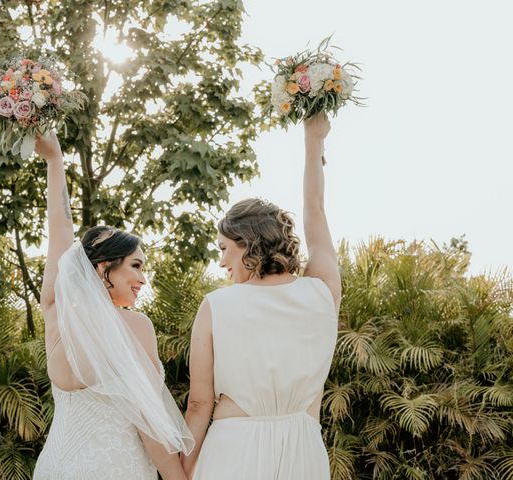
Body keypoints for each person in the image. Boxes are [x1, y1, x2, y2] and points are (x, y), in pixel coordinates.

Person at [182, 113, 340, 479]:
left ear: (247, 244)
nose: (221, 261)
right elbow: (315, 209)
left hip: (234, 451)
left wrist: (183, 472)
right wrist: (313, 140)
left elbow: (199, 403)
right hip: (303, 453)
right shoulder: (321, 292)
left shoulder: (216, 306)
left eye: (223, 248)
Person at [32, 133, 193, 480]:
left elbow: (59, 228)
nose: (143, 279)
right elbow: (151, 426)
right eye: (136, 266)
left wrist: (54, 161)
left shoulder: (57, 313)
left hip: (56, 468)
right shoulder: (135, 326)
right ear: (105, 268)